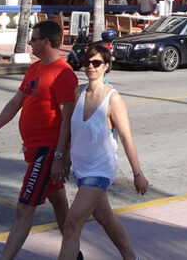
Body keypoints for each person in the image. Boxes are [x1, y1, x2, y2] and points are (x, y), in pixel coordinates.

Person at [0, 21, 78, 260]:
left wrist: (60, 157)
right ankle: (74, 254)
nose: (30, 43)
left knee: (24, 208)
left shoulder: (63, 73)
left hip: (47, 152)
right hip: (33, 150)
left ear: (46, 41)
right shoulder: (35, 69)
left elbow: (69, 120)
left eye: (34, 39)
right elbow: (16, 102)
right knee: (58, 201)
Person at [57, 43, 148, 260]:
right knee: (105, 218)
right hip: (81, 168)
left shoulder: (113, 99)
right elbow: (68, 128)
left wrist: (138, 174)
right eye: (87, 62)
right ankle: (130, 257)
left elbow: (126, 138)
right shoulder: (78, 92)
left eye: (96, 62)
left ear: (106, 66)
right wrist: (62, 157)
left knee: (71, 223)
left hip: (99, 170)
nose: (90, 66)